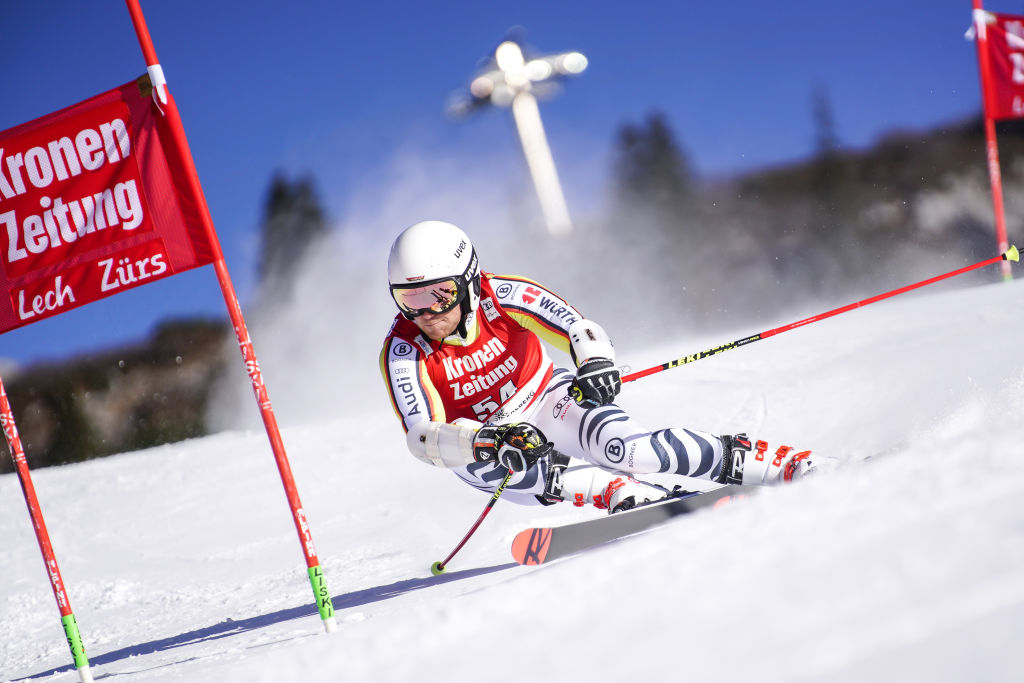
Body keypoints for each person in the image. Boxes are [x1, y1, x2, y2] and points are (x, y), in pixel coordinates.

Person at [380, 220, 814, 514]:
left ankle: (782, 465)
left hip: (547, 399)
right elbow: (422, 437)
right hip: (493, 448)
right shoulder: (404, 351)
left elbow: (576, 327)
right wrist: (487, 440)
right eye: (408, 300)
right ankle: (629, 497)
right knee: (522, 466)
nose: (426, 313)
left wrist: (595, 363)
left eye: (439, 294)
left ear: (470, 282)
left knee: (634, 452)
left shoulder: (503, 296)